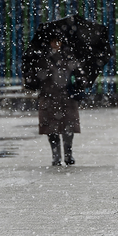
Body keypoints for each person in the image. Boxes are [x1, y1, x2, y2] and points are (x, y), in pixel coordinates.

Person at [38, 37, 81, 166]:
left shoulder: (69, 55)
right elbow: (37, 76)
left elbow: (77, 74)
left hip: (67, 97)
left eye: (58, 41)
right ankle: (56, 155)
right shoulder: (43, 57)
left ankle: (68, 154)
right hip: (49, 97)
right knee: (51, 129)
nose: (56, 44)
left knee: (68, 127)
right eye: (53, 41)